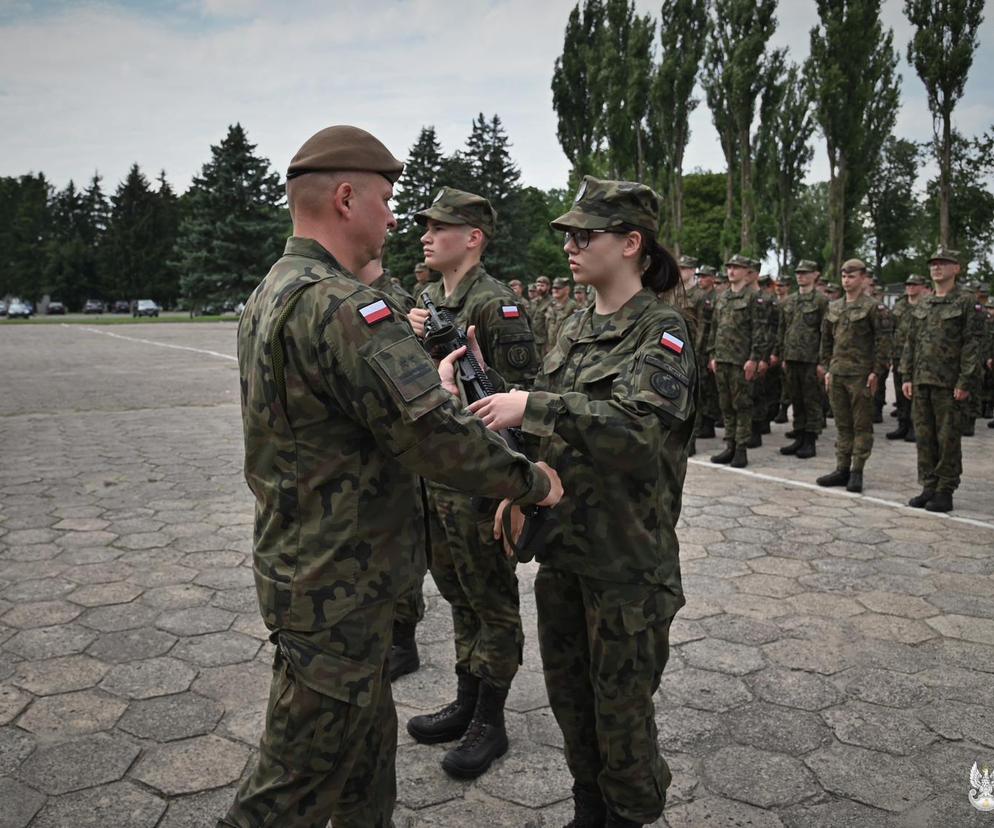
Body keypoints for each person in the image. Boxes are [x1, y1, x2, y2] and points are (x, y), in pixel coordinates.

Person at [220, 125, 562, 828]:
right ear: (346, 198)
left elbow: (366, 415)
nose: (395, 217)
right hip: (340, 582)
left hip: (313, 568)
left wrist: (428, 388)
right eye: (385, 198)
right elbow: (433, 435)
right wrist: (531, 481)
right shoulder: (345, 307)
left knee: (364, 766)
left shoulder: (276, 289)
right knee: (288, 785)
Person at [467, 175, 695, 828]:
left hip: (625, 568)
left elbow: (637, 436)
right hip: (565, 556)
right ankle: (588, 813)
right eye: (567, 234)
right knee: (573, 709)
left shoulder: (663, 331)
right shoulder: (574, 323)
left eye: (584, 234)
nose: (570, 245)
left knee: (621, 726)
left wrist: (532, 403)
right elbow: (548, 424)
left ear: (631, 243)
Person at [405, 187, 541, 779]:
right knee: (456, 589)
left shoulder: (497, 305)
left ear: (474, 238)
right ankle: (466, 699)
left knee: (491, 599)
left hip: (482, 477)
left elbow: (517, 400)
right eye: (426, 227)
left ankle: (492, 717)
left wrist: (515, 489)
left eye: (440, 227)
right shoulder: (428, 297)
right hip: (439, 474)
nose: (426, 236)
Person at [901, 248, 984, 512]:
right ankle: (928, 485)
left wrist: (965, 381)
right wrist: (907, 375)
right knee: (924, 437)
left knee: (947, 438)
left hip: (949, 384)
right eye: (934, 264)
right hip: (922, 380)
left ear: (956, 268)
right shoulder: (924, 303)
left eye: (943, 263)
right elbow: (911, 342)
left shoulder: (967, 302)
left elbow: (973, 344)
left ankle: (945, 490)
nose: (937, 268)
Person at [817, 259, 887, 494]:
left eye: (852, 276)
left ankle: (857, 471)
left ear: (863, 278)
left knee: (861, 425)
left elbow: (882, 342)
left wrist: (876, 372)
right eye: (844, 276)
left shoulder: (872, 307)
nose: (847, 280)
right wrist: (827, 368)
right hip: (837, 374)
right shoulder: (834, 307)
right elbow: (826, 339)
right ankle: (842, 468)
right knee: (842, 424)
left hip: (860, 375)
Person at [707, 254, 769, 468]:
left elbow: (760, 331)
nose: (731, 271)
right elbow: (715, 328)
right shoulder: (722, 297)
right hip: (722, 359)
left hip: (741, 361)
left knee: (742, 405)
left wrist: (754, 359)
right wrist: (712, 354)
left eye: (736, 267)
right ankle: (730, 445)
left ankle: (741, 449)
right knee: (725, 405)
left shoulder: (754, 297)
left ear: (746, 272)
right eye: (729, 267)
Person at [773, 260, 829, 459]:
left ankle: (810, 439)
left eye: (806, 273)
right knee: (796, 398)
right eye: (798, 272)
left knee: (811, 400)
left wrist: (823, 362)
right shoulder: (790, 301)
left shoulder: (822, 301)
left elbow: (826, 333)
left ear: (816, 275)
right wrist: (781, 355)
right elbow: (783, 329)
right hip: (791, 357)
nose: (801, 276)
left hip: (811, 359)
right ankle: (799, 435)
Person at [886, 274, 928, 443]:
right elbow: (891, 330)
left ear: (922, 287)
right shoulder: (899, 305)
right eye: (908, 284)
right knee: (899, 391)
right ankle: (902, 424)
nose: (910, 287)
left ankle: (914, 427)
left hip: (917, 356)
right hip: (898, 355)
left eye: (914, 284)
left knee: (915, 393)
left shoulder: (926, 306)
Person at [544, 276, 578, 355]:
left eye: (558, 288)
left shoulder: (572, 306)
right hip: (551, 349)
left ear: (567, 290)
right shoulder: (551, 305)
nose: (555, 290)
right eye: (554, 288)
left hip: (566, 350)